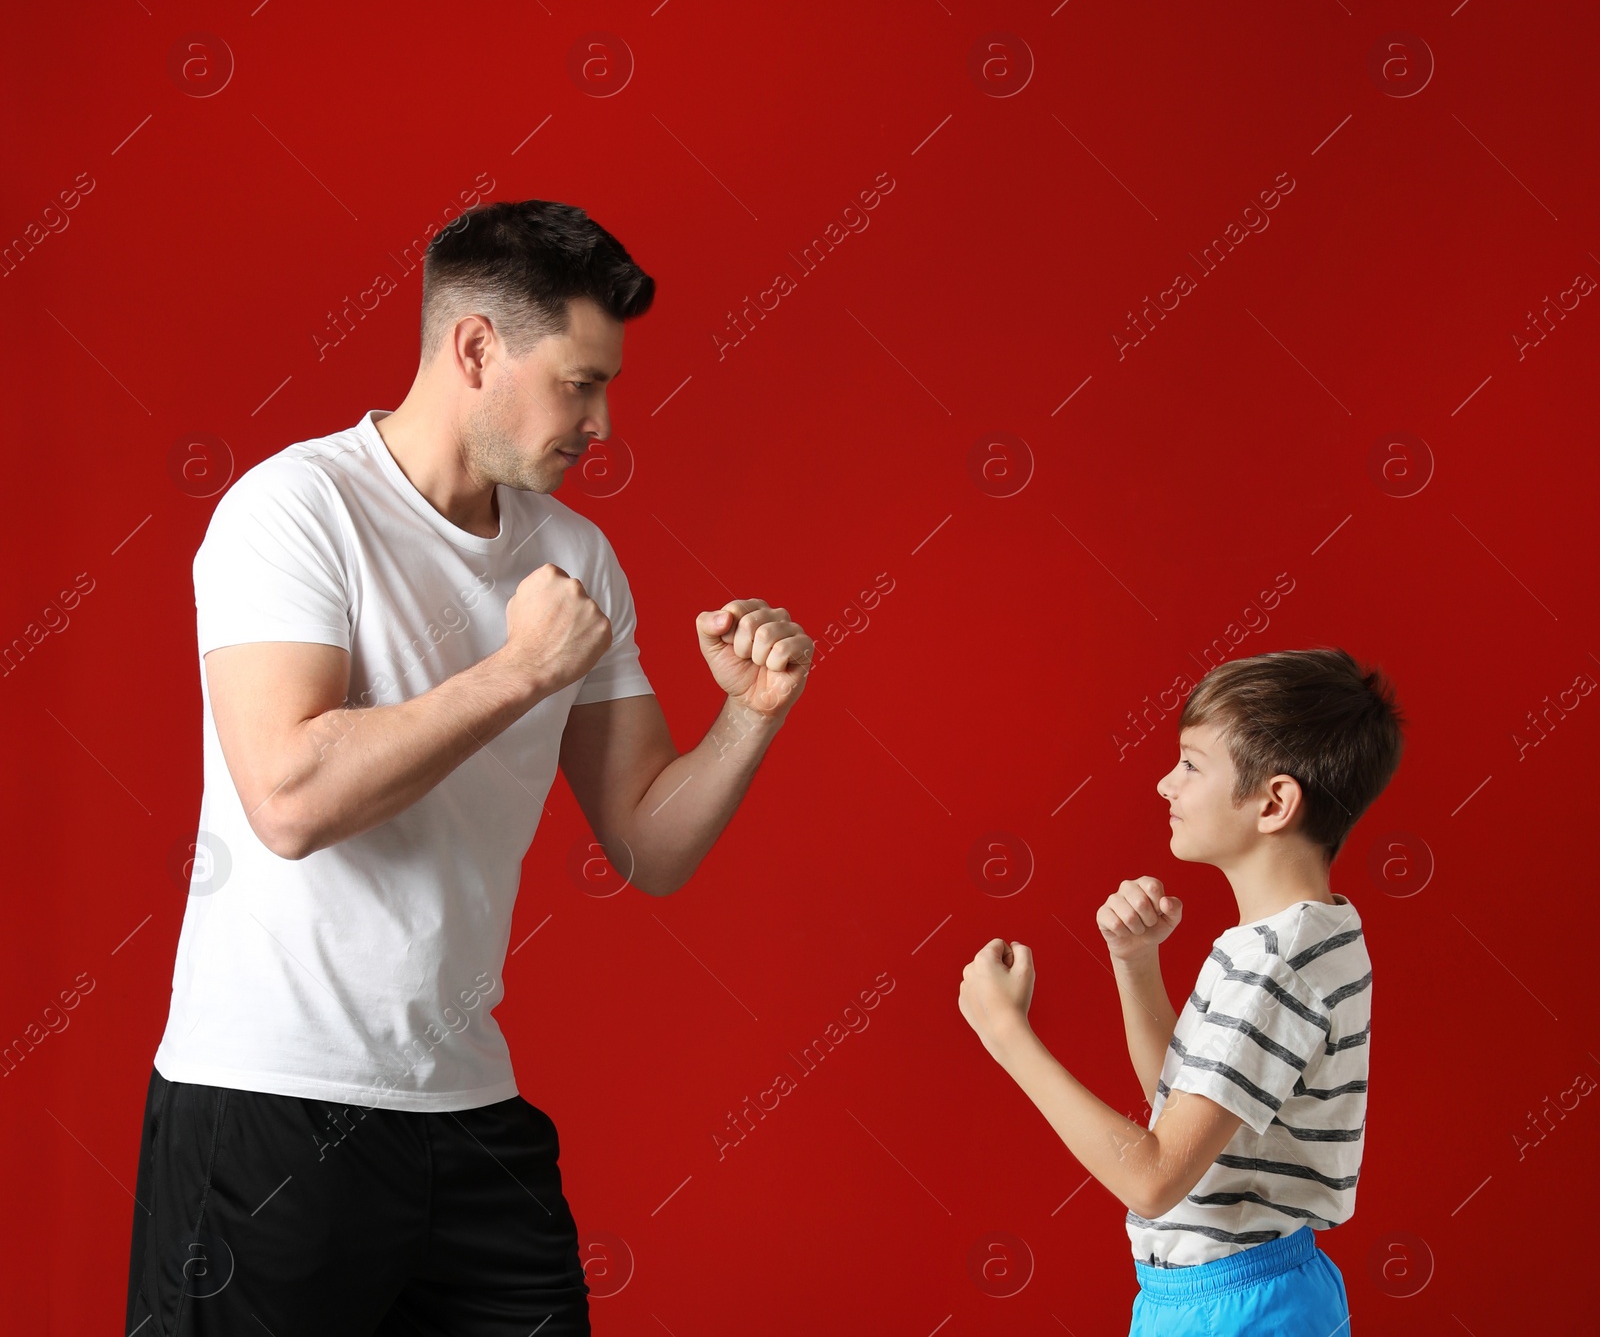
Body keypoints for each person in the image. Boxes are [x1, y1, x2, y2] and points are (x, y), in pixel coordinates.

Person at [126, 199, 814, 1335]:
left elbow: (649, 843)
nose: (600, 419)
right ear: (477, 346)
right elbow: (288, 796)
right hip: (269, 1104)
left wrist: (748, 718)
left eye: (607, 386)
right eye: (579, 381)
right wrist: (517, 669)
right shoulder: (296, 509)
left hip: (466, 1110)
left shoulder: (575, 552)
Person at [958, 646, 1405, 1335]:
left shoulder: (1272, 967)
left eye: (1192, 764)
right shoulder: (1303, 937)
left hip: (1236, 1307)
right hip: (1237, 1295)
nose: (1167, 784)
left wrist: (1006, 1035)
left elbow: (1155, 1177)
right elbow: (1184, 1113)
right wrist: (1135, 962)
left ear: (1274, 802)